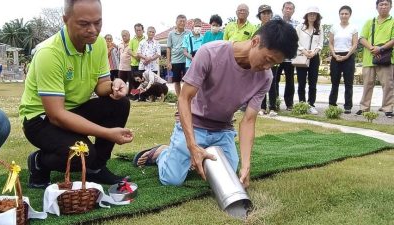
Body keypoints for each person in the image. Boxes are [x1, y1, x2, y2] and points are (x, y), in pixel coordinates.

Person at [133, 20, 298, 188]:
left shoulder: (266, 77)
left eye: (273, 64)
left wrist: (246, 165)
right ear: (255, 41)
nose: (267, 67)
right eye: (267, 59)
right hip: (194, 124)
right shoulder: (211, 52)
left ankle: (193, 156)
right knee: (172, 180)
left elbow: (248, 121)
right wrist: (192, 145)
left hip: (222, 130)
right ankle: (162, 153)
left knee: (229, 174)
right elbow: (184, 98)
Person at [19, 0, 134, 189]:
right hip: (40, 120)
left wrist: (115, 85)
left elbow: (101, 85)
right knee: (84, 152)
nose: (93, 30)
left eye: (98, 22)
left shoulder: (97, 44)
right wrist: (107, 133)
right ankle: (40, 161)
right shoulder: (49, 53)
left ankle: (96, 169)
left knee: (120, 103)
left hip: (73, 109)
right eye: (84, 23)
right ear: (66, 20)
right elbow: (56, 116)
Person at [356, 0, 394, 118]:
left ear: (390, 6)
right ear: (376, 7)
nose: (383, 7)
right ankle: (364, 108)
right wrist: (373, 49)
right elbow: (362, 38)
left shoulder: (392, 22)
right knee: (367, 84)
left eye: (386, 4)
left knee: (388, 84)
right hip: (369, 58)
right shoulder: (369, 22)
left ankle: (388, 108)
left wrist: (381, 49)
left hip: (387, 58)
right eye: (381, 4)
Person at [328, 6, 358, 114]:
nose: (344, 15)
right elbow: (330, 43)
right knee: (334, 82)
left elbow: (355, 44)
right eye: (342, 13)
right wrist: (334, 55)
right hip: (336, 56)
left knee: (348, 83)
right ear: (339, 14)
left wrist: (347, 55)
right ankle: (332, 104)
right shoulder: (334, 27)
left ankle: (348, 106)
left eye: (346, 13)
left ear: (350, 15)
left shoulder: (353, 28)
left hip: (348, 57)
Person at [296, 6, 324, 115]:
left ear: (317, 16)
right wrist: (304, 51)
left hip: (314, 57)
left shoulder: (319, 28)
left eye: (314, 14)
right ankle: (302, 104)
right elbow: (296, 41)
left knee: (313, 83)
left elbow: (320, 43)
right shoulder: (299, 27)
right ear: (306, 15)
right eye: (310, 14)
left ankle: (311, 104)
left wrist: (314, 52)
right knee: (301, 82)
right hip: (302, 56)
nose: (312, 16)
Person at [275, 1, 299, 111]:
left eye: (290, 8)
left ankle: (289, 104)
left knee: (290, 82)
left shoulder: (296, 24)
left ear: (293, 11)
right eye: (286, 8)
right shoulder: (276, 22)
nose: (288, 10)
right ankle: (274, 102)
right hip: (276, 57)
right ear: (282, 9)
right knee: (275, 80)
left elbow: (296, 41)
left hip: (289, 58)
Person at [256, 5, 278, 117]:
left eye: (268, 13)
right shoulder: (257, 30)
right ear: (259, 16)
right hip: (261, 62)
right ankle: (262, 107)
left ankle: (273, 108)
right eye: (263, 13)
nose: (266, 15)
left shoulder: (276, 29)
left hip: (272, 60)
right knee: (261, 84)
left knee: (272, 84)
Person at [167, 15, 190, 98]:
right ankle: (179, 99)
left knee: (187, 81)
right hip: (175, 61)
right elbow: (168, 48)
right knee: (176, 81)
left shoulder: (189, 32)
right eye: (180, 21)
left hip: (187, 61)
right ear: (176, 22)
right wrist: (168, 62)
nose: (182, 23)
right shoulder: (171, 34)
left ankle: (186, 98)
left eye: (184, 21)